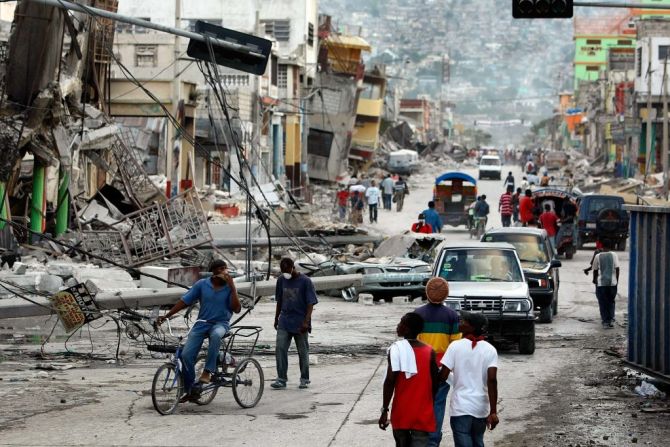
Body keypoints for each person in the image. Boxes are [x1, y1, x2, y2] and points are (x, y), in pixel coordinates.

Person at [157, 260, 241, 400]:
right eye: (221, 269)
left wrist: (232, 287)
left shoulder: (229, 286)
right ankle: (191, 389)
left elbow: (237, 309)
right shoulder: (202, 284)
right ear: (213, 272)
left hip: (221, 323)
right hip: (202, 323)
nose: (225, 271)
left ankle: (208, 371)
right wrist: (166, 315)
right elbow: (185, 301)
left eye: (225, 268)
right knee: (186, 356)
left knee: (215, 335)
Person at [438, 312, 499, 447]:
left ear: (471, 327)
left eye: (464, 321)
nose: (460, 323)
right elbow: (492, 380)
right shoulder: (490, 350)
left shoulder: (455, 346)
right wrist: (493, 411)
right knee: (478, 441)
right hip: (480, 407)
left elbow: (442, 376)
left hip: (461, 406)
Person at [415, 278, 461, 447]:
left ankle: (420, 437)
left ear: (427, 292)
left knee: (421, 402)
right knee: (438, 403)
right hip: (443, 368)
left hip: (421, 367)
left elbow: (414, 340)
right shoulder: (452, 315)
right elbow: (455, 344)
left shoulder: (417, 314)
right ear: (446, 294)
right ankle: (433, 440)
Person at [379, 312, 438, 447]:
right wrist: (430, 404)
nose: (398, 326)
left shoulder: (396, 349)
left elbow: (389, 381)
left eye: (401, 323)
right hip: (423, 411)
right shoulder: (429, 351)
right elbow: (435, 383)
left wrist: (384, 410)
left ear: (407, 329)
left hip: (401, 410)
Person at [271, 258, 318, 389]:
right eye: (283, 271)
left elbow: (310, 303)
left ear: (293, 267)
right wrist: (276, 318)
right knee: (280, 348)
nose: (285, 273)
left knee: (303, 351)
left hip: (300, 321)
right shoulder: (281, 280)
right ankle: (281, 378)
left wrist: (306, 322)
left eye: (287, 270)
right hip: (285, 320)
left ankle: (304, 378)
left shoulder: (305, 281)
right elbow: (279, 301)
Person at [592, 240, 620, 329]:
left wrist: (594, 279)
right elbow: (617, 268)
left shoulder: (598, 256)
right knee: (611, 301)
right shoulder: (614, 255)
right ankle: (611, 319)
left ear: (602, 247)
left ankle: (605, 321)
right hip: (612, 283)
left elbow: (595, 270)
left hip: (601, 283)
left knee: (603, 302)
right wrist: (617, 280)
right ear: (611, 247)